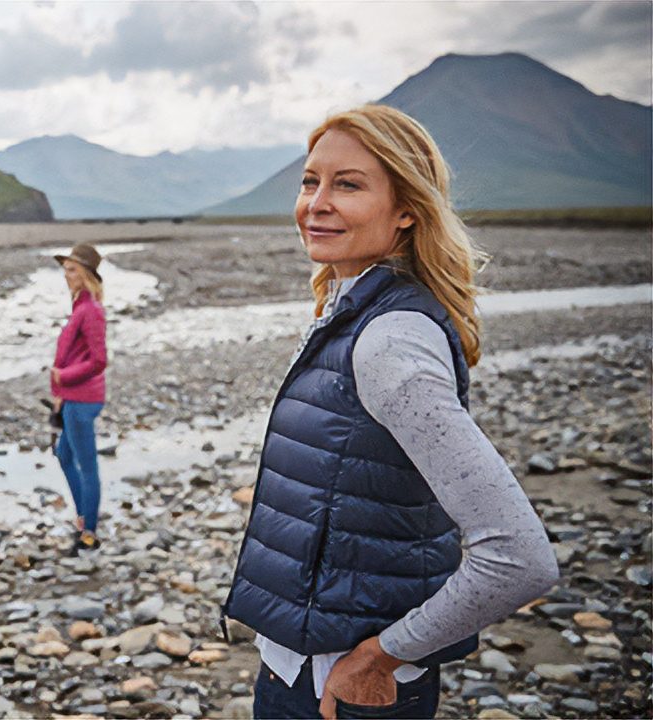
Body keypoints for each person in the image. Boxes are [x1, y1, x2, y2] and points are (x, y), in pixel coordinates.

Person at [221, 105, 559, 720]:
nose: (316, 202)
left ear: (407, 209)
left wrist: (383, 656)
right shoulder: (352, 308)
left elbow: (520, 555)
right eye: (309, 181)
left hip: (340, 690)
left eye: (347, 184)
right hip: (307, 671)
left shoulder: (389, 339)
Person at [50, 243, 108, 554]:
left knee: (87, 466)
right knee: (64, 456)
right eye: (65, 269)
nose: (66, 275)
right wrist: (58, 394)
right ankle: (84, 517)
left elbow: (99, 361)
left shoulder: (91, 311)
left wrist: (64, 379)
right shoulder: (81, 307)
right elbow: (72, 354)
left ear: (85, 274)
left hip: (83, 400)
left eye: (72, 269)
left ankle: (89, 534)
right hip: (71, 398)